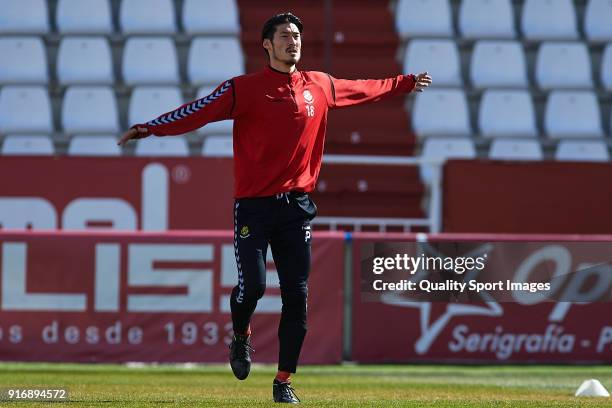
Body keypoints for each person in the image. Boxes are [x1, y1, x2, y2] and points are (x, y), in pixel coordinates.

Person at [119, 12, 432, 404]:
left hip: (296, 208)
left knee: (297, 296)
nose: (293, 41)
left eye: (297, 35)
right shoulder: (243, 89)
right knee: (252, 287)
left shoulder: (318, 85)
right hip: (253, 208)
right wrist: (150, 127)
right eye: (285, 35)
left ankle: (283, 381)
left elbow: (361, 88)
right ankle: (240, 337)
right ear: (266, 44)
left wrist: (403, 83)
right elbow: (197, 111)